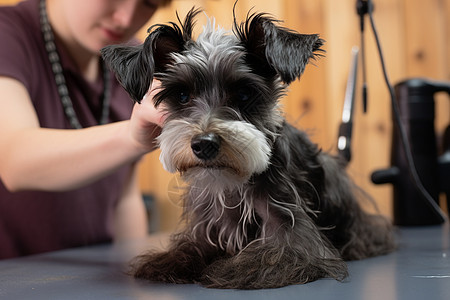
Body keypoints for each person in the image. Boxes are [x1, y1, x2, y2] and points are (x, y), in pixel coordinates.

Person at [0, 0, 171, 259]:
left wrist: (134, 275)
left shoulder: (134, 59)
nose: (125, 19)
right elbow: (14, 159)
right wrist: (131, 138)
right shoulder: (8, 34)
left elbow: (125, 197)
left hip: (94, 276)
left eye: (148, 4)